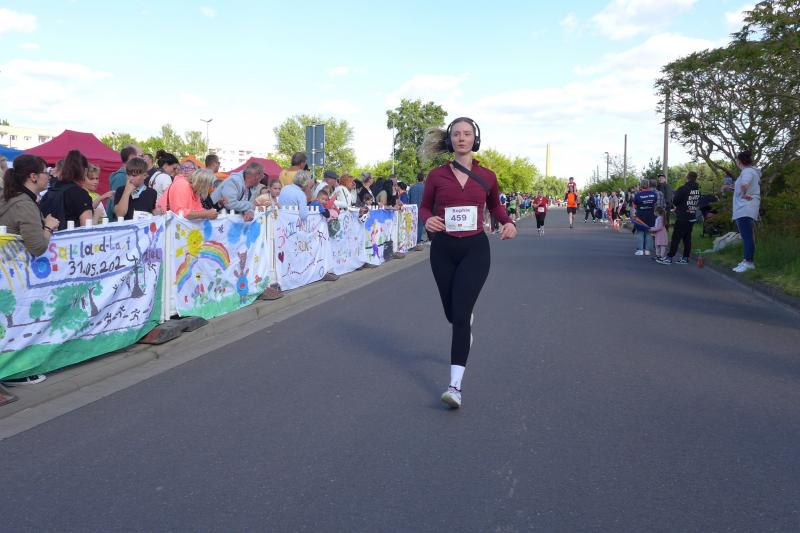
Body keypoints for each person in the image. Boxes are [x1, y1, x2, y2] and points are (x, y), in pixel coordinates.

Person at [419, 117, 517, 409]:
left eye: (467, 134)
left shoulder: (487, 176)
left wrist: (508, 222)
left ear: (476, 139)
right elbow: (424, 207)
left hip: (475, 249)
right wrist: (428, 220)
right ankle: (464, 321)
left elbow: (495, 205)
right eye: (457, 134)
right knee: (453, 314)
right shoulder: (437, 176)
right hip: (443, 249)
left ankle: (455, 387)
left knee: (460, 318)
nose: (462, 138)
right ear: (450, 140)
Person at [0, 156, 57, 385]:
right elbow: (37, 246)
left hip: (8, 274)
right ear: (33, 176)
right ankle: (17, 370)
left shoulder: (9, 197)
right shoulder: (23, 204)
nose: (48, 176)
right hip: (16, 276)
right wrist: (48, 227)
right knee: (17, 321)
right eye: (45, 172)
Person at [40, 150, 93, 229]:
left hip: (48, 235)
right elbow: (87, 227)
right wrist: (97, 215)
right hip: (70, 236)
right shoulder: (80, 194)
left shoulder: (51, 190)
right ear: (85, 171)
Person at [659, 171, 701, 265]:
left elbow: (675, 201)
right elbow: (697, 202)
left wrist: (679, 206)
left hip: (682, 217)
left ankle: (669, 257)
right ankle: (685, 258)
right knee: (687, 238)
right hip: (692, 216)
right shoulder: (697, 190)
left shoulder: (683, 188)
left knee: (676, 238)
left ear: (687, 177)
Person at [731, 150, 761, 273]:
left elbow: (744, 185)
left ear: (739, 161)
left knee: (747, 237)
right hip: (746, 208)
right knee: (747, 236)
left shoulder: (747, 171)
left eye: (737, 161)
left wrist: (744, 194)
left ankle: (749, 262)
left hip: (744, 208)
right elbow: (742, 186)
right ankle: (746, 260)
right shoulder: (751, 171)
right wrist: (731, 187)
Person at [106, 144, 143, 221]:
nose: (143, 159)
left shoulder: (128, 176)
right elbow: (114, 206)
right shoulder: (120, 177)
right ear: (131, 157)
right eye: (141, 156)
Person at [632, 179, 657, 255]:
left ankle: (640, 250)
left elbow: (634, 206)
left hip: (640, 215)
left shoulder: (638, 195)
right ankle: (647, 250)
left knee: (640, 232)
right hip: (651, 215)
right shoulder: (654, 194)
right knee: (649, 232)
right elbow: (655, 204)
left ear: (641, 185)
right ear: (648, 185)